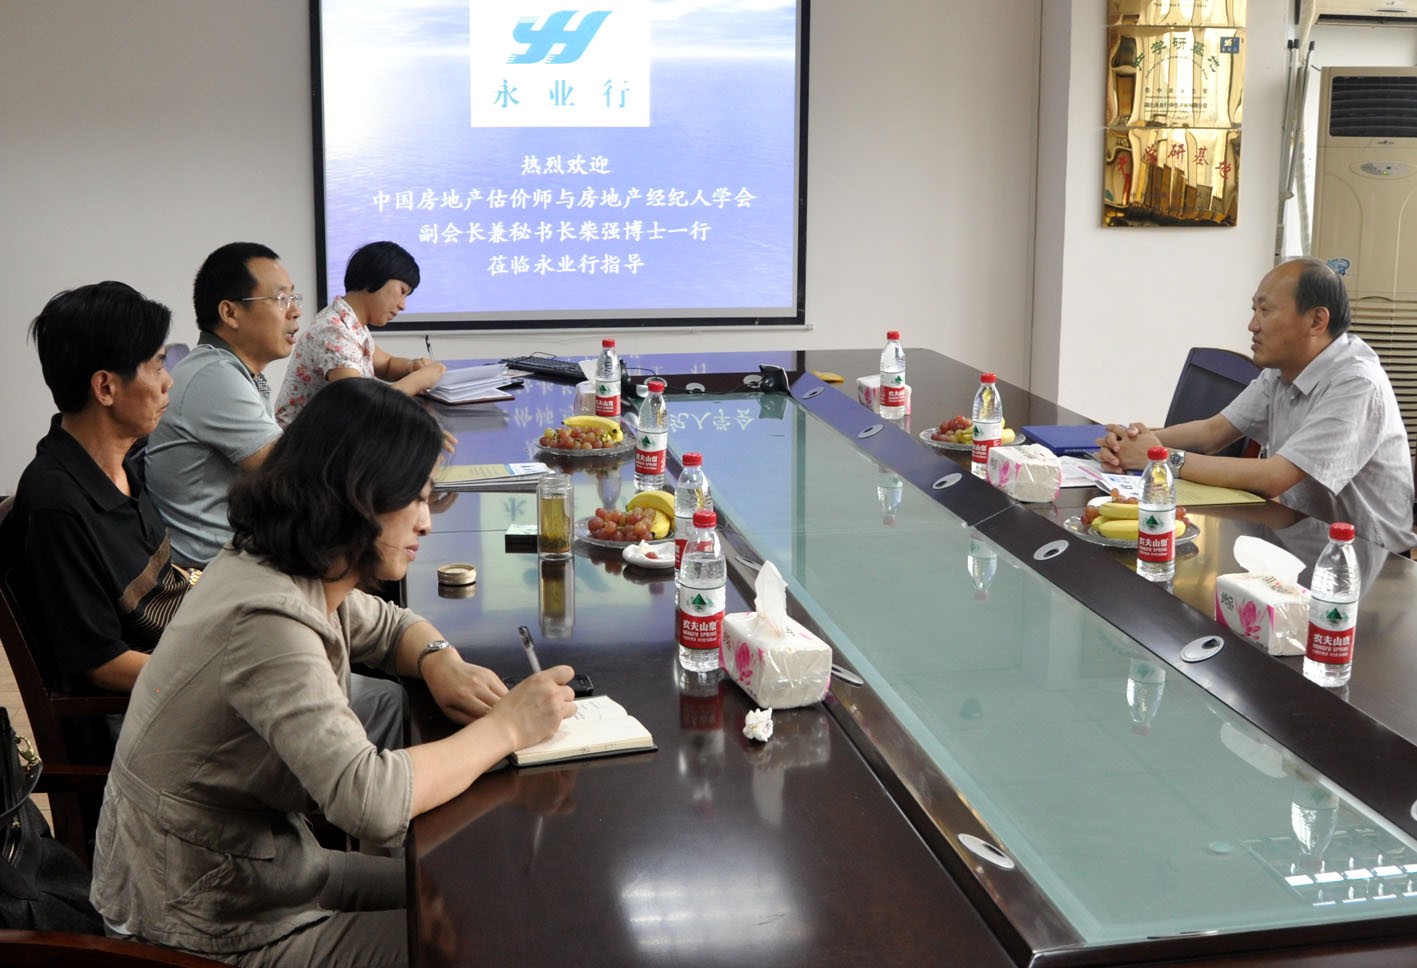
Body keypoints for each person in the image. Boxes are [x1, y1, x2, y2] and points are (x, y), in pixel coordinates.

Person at [91, 379, 576, 967]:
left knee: (471, 895)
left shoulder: (288, 563)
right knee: (480, 945)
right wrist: (508, 728)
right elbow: (369, 799)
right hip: (205, 919)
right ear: (358, 497)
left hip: (257, 870)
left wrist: (440, 659)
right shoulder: (268, 618)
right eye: (415, 499)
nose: (426, 522)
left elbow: (392, 625)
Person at [1098, 257, 1416, 555]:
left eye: (1265, 311)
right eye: (1254, 310)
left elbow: (1274, 476)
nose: (1252, 325)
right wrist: (1132, 440)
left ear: (1316, 320)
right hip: (1299, 534)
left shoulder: (1357, 383)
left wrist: (1158, 457)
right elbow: (1212, 432)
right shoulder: (1282, 369)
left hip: (1368, 556)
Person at [0, 282, 189, 705]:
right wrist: (216, 677)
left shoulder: (124, 464)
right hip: (147, 711)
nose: (168, 382)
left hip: (184, 653)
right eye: (157, 366)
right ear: (105, 388)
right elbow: (103, 664)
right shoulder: (57, 504)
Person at [145, 241, 298, 569]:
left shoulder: (229, 371)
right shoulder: (214, 377)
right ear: (230, 313)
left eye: (293, 297)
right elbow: (295, 477)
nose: (294, 311)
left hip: (235, 561)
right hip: (210, 576)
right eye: (280, 299)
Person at [274, 241, 445, 428]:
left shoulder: (351, 323)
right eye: (402, 292)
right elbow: (362, 408)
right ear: (374, 278)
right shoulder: (332, 331)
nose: (403, 305)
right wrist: (419, 380)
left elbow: (386, 364)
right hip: (304, 443)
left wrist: (412, 366)